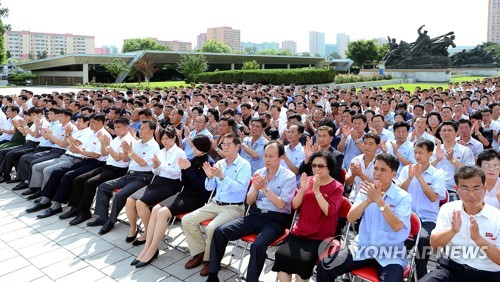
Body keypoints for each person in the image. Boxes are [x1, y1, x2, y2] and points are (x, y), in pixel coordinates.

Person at [206, 141, 297, 282]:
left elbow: (280, 204)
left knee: (258, 246)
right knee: (219, 232)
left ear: (281, 157)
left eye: (271, 156)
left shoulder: (289, 177)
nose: (267, 159)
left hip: (275, 219)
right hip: (256, 214)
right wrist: (255, 188)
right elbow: (249, 201)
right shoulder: (259, 173)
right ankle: (213, 274)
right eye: (265, 155)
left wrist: (265, 188)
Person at [316, 153, 412, 282]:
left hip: (390, 254)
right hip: (362, 248)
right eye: (376, 168)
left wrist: (380, 201)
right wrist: (367, 200)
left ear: (393, 174)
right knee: (325, 266)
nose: (377, 173)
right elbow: (350, 218)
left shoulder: (403, 197)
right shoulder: (366, 190)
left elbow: (397, 226)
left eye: (383, 170)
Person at [131, 134, 213, 268]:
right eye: (192, 146)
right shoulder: (192, 160)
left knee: (163, 212)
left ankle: (152, 250)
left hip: (197, 198)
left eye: (196, 147)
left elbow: (201, 187)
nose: (193, 149)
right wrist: (184, 170)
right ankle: (147, 248)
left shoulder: (208, 162)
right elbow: (185, 183)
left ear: (203, 147)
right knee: (156, 208)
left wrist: (188, 170)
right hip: (184, 193)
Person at [181, 132, 250, 276]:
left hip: (234, 207)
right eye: (223, 144)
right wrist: (210, 178)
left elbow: (239, 188)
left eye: (228, 144)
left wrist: (221, 177)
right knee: (187, 220)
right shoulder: (220, 163)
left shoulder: (244, 165)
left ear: (237, 147)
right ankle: (200, 252)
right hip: (215, 203)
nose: (224, 146)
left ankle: (209, 260)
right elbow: (209, 188)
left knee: (212, 228)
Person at [272, 151, 344, 282]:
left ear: (329, 167)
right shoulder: (308, 181)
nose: (316, 169)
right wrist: (303, 190)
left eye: (321, 166)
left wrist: (317, 191)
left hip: (320, 236)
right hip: (300, 232)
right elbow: (294, 205)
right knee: (281, 256)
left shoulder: (337, 187)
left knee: (303, 264)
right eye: (314, 165)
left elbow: (329, 211)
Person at [420, 166, 500, 281]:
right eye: (465, 188)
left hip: (487, 274)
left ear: (485, 188)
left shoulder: (497, 217)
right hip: (452, 269)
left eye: (476, 188)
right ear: (456, 189)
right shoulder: (448, 209)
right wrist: (452, 230)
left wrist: (478, 239)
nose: (471, 194)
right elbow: (434, 244)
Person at [89, 120, 160, 235]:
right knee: (103, 186)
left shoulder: (154, 146)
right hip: (129, 174)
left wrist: (130, 151)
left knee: (120, 195)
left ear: (152, 131)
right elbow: (126, 160)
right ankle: (102, 217)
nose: (140, 131)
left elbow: (142, 163)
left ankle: (111, 221)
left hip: (143, 177)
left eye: (143, 129)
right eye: (140, 128)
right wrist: (127, 153)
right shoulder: (137, 143)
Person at [62, 117, 135, 225]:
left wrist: (107, 145)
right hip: (107, 166)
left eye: (119, 127)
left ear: (127, 127)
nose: (116, 129)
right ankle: (75, 207)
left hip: (118, 170)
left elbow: (118, 158)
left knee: (90, 183)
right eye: (115, 127)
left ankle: (84, 212)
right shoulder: (116, 139)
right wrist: (103, 144)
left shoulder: (129, 140)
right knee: (78, 179)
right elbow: (105, 154)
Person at [125, 128, 186, 245]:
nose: (164, 141)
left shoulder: (180, 152)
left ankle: (148, 232)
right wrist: (156, 167)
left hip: (171, 184)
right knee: (130, 200)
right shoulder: (161, 152)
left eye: (167, 138)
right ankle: (133, 228)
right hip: (158, 181)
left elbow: (178, 173)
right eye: (162, 139)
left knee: (140, 203)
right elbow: (156, 172)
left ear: (174, 138)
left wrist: (161, 166)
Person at [396, 139, 446, 279]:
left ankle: (421, 276)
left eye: (421, 153)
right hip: (406, 215)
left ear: (430, 154)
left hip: (427, 219)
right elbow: (398, 192)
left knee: (423, 240)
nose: (417, 156)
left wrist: (419, 178)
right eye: (415, 152)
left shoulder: (438, 174)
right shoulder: (407, 169)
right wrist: (410, 178)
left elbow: (432, 197)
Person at [432, 121, 475, 201]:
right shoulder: (435, 149)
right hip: (435, 189)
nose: (446, 133)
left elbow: (470, 171)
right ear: (440, 133)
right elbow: (425, 168)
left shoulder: (465, 150)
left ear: (456, 133)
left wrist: (452, 160)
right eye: (444, 130)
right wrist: (437, 160)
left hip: (455, 190)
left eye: (450, 130)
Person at [345, 132, 379, 201]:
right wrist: (353, 175)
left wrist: (361, 175)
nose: (367, 147)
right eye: (365, 143)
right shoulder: (355, 160)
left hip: (372, 199)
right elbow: (347, 184)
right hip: (355, 198)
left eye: (371, 144)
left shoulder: (380, 163)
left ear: (377, 147)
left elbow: (377, 188)